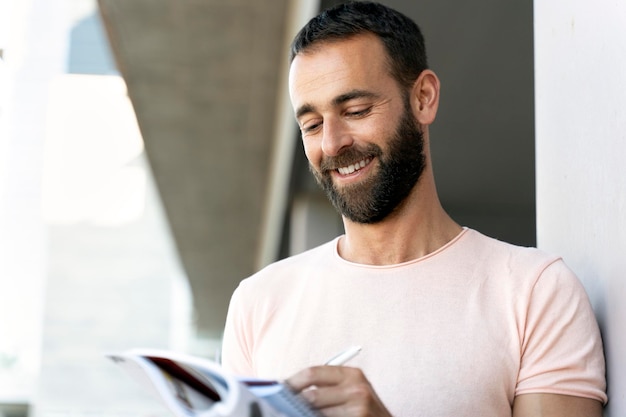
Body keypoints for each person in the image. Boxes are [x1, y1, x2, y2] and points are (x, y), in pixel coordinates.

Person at [221, 2, 607, 416]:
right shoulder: (258, 303)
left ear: (423, 97)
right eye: (312, 125)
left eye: (355, 111)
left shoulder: (535, 292)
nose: (331, 143)